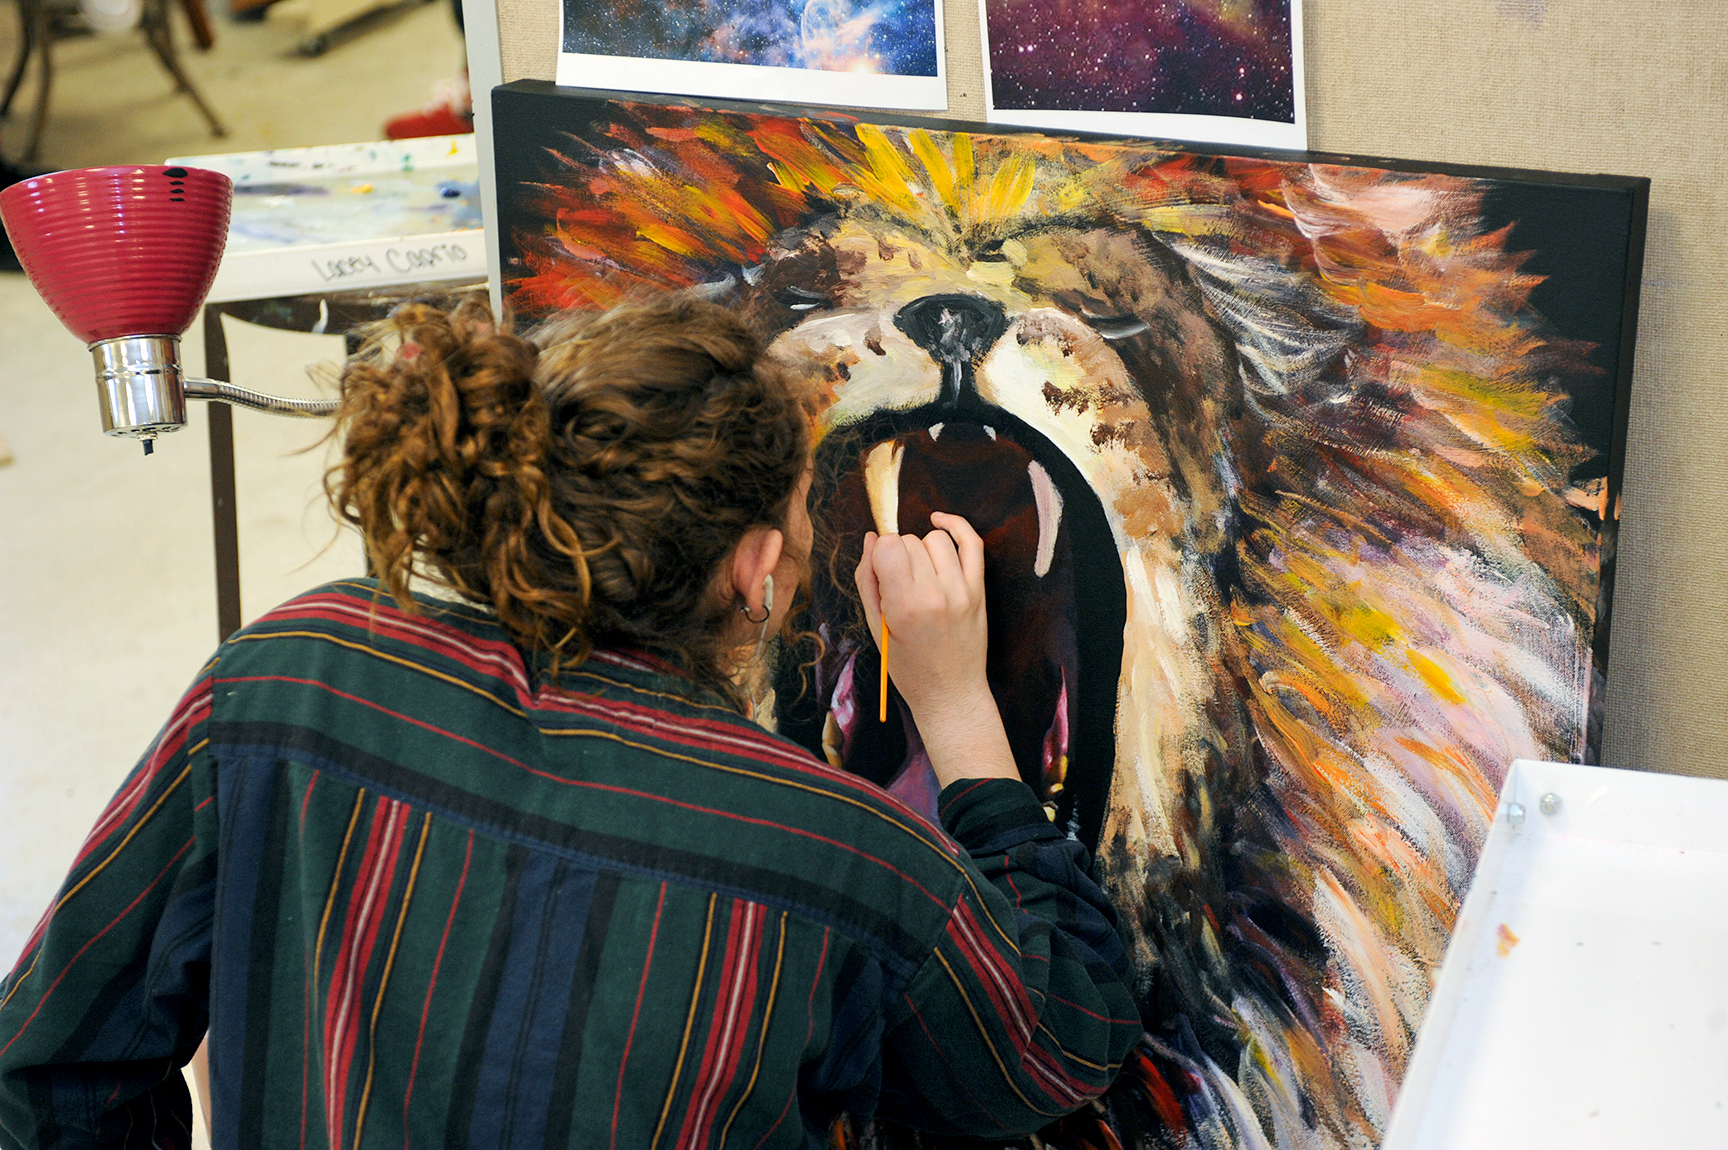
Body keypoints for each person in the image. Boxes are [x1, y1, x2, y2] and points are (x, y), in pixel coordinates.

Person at [0, 296, 1139, 1147]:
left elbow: (46, 1070)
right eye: (800, 526)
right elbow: (1049, 1043)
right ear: (754, 574)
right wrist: (957, 706)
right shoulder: (830, 849)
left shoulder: (291, 678)